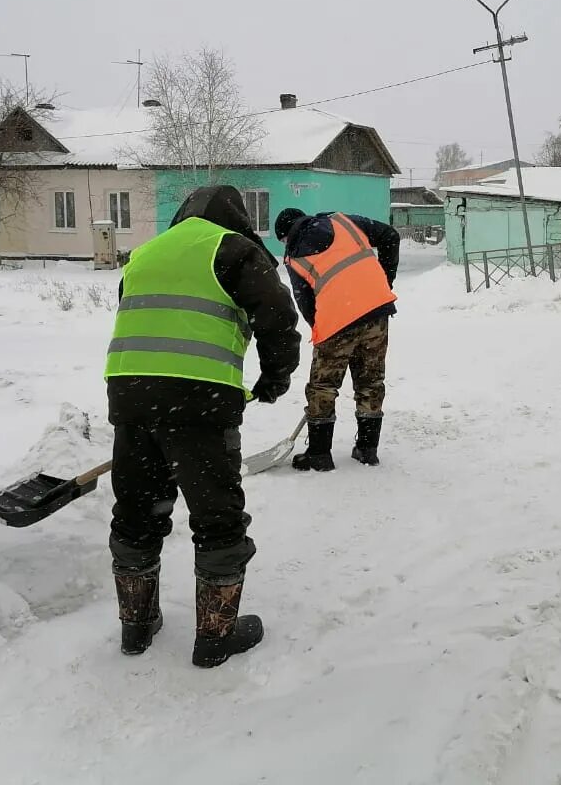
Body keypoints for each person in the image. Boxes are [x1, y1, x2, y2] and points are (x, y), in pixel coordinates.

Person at [104, 185, 300, 664]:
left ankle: (137, 626)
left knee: (138, 509)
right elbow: (277, 316)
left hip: (129, 393)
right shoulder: (234, 249)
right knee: (216, 517)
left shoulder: (146, 252)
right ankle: (215, 638)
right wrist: (274, 379)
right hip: (200, 401)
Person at [273, 207, 399, 471]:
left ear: (286, 235)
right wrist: (385, 282)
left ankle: (319, 455)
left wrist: (323, 331)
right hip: (377, 311)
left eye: (283, 241)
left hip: (337, 322)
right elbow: (390, 236)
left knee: (323, 386)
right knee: (371, 380)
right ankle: (367, 449)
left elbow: (305, 302)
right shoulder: (346, 222)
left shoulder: (294, 256)